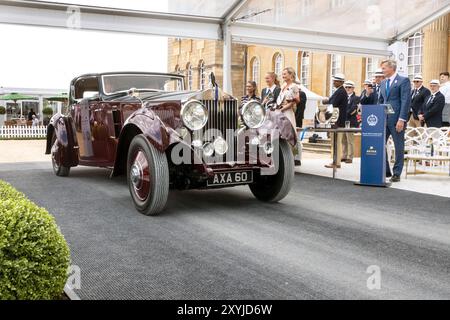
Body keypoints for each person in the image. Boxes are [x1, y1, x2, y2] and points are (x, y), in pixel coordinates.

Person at [379, 59, 411, 183]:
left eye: (384, 68)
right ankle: (386, 170)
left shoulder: (403, 81)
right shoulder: (382, 83)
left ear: (392, 68)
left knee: (398, 146)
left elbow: (405, 101)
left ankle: (397, 173)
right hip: (383, 120)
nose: (382, 70)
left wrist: (402, 119)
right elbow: (381, 101)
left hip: (397, 120)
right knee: (380, 144)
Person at [322, 73, 347, 169]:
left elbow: (333, 104)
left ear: (340, 82)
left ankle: (336, 162)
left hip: (337, 121)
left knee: (336, 142)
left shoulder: (340, 92)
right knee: (335, 142)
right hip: (336, 120)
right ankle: (335, 161)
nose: (333, 82)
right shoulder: (340, 91)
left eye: (335, 81)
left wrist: (326, 101)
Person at [341, 80, 360, 164]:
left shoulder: (356, 98)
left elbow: (353, 109)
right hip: (343, 121)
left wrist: (344, 114)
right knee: (343, 139)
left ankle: (350, 157)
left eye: (349, 87)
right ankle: (344, 155)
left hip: (350, 121)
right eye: (346, 87)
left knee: (350, 140)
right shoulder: (343, 97)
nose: (348, 89)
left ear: (353, 88)